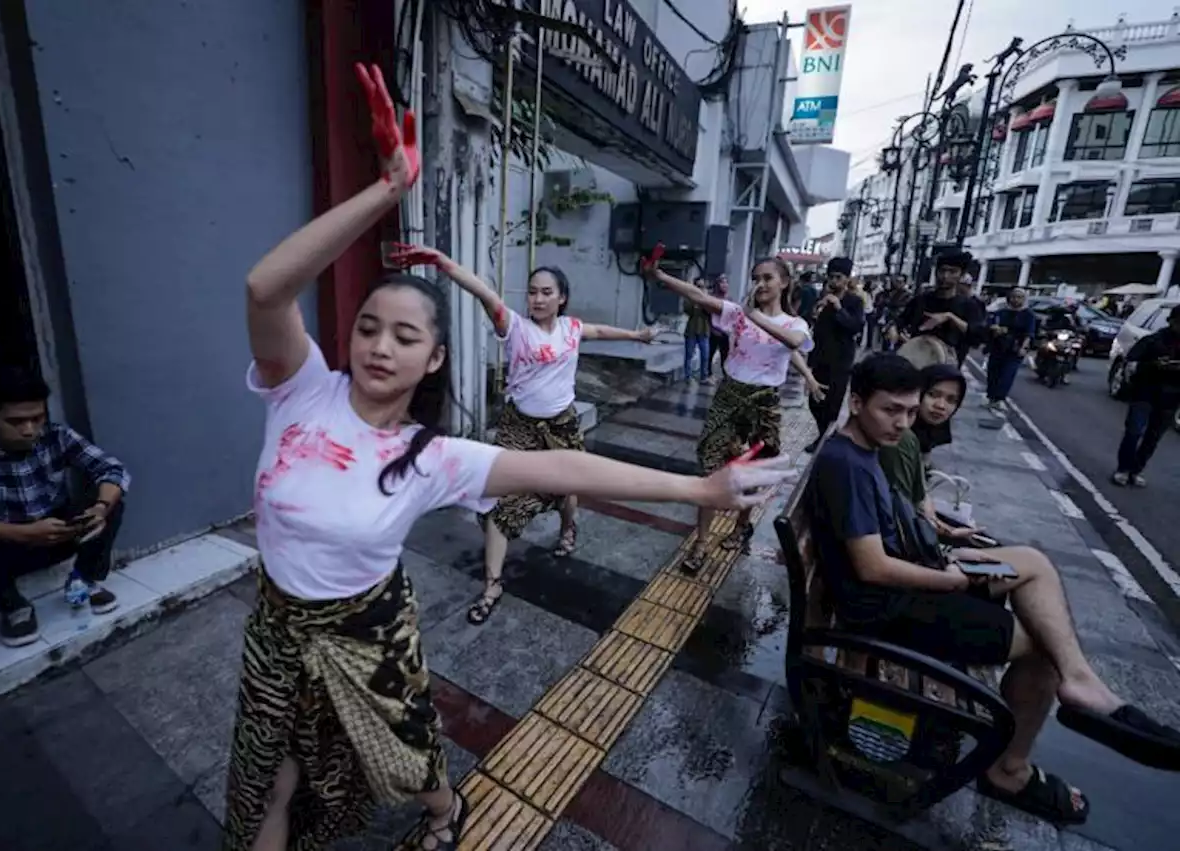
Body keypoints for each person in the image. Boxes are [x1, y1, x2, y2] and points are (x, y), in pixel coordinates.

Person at [225, 64, 795, 851]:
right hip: (276, 625)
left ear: (433, 360)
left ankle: (442, 809)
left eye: (404, 334)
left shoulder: (429, 454)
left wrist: (699, 483)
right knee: (268, 777)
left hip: (368, 628)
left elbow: (569, 468)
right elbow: (263, 289)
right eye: (366, 326)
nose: (379, 344)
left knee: (407, 748)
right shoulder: (300, 392)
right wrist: (387, 191)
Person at [807, 354, 1180, 827]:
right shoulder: (846, 466)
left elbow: (892, 530)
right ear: (856, 403)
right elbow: (873, 567)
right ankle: (1010, 768)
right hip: (888, 608)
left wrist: (944, 545)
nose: (903, 422)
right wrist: (953, 578)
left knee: (1033, 562)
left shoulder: (861, 451)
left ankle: (1082, 681)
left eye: (909, 410)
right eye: (890, 410)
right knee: (1042, 649)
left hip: (913, 576)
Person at [386, 243, 654, 624]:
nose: (538, 298)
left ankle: (567, 527)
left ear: (562, 298)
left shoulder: (572, 329)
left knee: (567, 488)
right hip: (518, 428)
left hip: (561, 425)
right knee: (499, 502)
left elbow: (600, 330)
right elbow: (484, 293)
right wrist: (443, 262)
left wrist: (637, 336)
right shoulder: (514, 327)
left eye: (547, 292)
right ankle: (493, 583)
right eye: (532, 291)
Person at [0, 367, 129, 648]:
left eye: (37, 418)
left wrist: (101, 509)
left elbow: (110, 467)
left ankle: (83, 580)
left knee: (111, 499)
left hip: (58, 533)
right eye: (16, 421)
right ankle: (14, 607)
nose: (30, 429)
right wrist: (19, 532)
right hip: (4, 546)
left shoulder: (57, 436)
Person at [643, 251, 812, 570]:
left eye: (767, 278)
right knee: (711, 471)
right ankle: (702, 542)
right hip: (728, 399)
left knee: (753, 473)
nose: (760, 284)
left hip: (764, 405)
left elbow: (793, 342)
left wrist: (754, 316)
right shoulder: (737, 313)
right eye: (755, 279)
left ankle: (740, 528)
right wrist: (662, 277)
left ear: (785, 283)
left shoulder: (795, 323)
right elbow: (698, 295)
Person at [877, 363, 983, 541]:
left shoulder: (923, 437)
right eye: (933, 395)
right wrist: (943, 531)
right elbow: (902, 508)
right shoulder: (900, 437)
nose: (941, 406)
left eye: (951, 400)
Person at [1112, 304, 1180, 488]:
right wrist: (1153, 365)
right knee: (1134, 431)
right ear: (1172, 321)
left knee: (1153, 438)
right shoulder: (1153, 341)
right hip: (1145, 392)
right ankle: (1123, 469)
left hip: (1171, 398)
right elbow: (1131, 363)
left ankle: (1136, 470)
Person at [805, 257, 865, 453]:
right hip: (820, 360)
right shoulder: (822, 298)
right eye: (831, 277)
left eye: (838, 277)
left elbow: (855, 327)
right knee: (815, 403)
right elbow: (817, 333)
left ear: (847, 279)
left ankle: (824, 440)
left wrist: (839, 307)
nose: (834, 281)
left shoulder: (854, 301)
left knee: (832, 405)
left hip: (840, 363)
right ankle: (823, 434)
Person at [896, 251, 980, 355]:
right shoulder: (920, 300)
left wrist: (950, 317)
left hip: (949, 367)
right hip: (916, 362)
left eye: (952, 272)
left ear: (961, 275)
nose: (945, 276)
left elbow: (977, 336)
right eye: (942, 270)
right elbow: (899, 321)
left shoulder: (969, 305)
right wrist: (895, 331)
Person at [985, 288, 1037, 409]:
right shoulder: (1001, 313)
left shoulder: (1028, 315)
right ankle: (990, 396)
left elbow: (1030, 333)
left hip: (1015, 349)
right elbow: (990, 326)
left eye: (1019, 297)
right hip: (998, 347)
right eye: (1014, 296)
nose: (1016, 299)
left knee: (1007, 374)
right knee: (993, 373)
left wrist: (1024, 347)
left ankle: (999, 398)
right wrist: (994, 330)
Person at [683, 277, 713, 383]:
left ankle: (704, 377)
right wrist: (696, 302)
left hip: (704, 330)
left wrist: (703, 300)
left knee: (705, 355)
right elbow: (687, 309)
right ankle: (687, 376)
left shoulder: (708, 298)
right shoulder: (689, 297)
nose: (700, 288)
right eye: (698, 286)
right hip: (691, 329)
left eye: (702, 286)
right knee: (689, 355)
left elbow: (710, 311)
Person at [709, 275, 731, 376]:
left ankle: (725, 375)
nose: (725, 285)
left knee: (725, 355)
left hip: (725, 332)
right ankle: (708, 374)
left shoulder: (729, 299)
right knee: (710, 354)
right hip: (712, 331)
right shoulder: (712, 298)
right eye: (722, 283)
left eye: (726, 283)